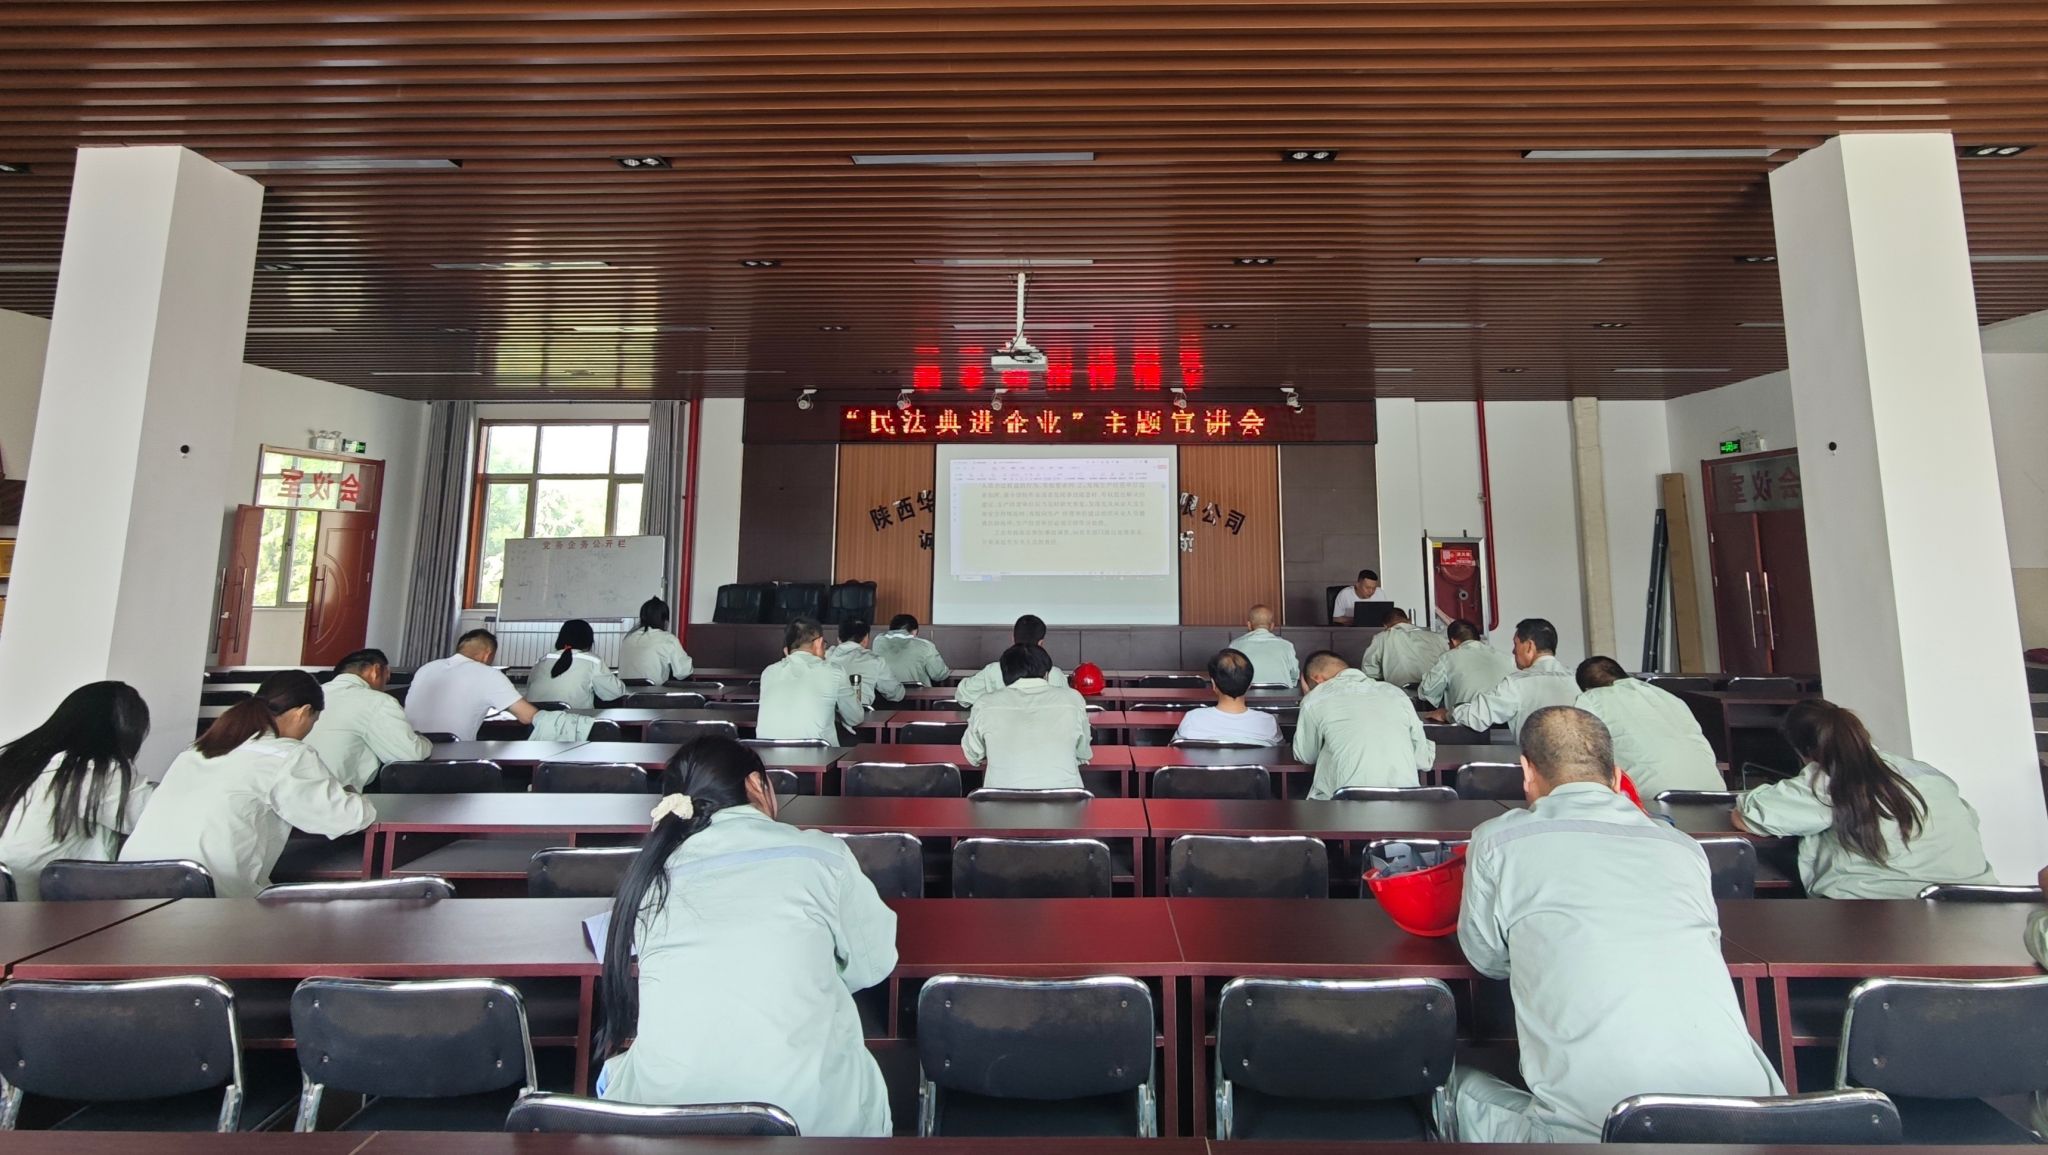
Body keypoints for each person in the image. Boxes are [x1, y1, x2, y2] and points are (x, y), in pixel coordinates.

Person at [1442, 706, 1783, 1142]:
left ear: (1527, 771)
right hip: (1752, 1126)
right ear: (1617, 775)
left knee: (1447, 1081)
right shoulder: (1682, 846)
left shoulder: (1499, 840)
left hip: (1597, 1137)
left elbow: (1487, 959)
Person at [594, 738, 895, 1136]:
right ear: (756, 784)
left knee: (616, 1076)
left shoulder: (649, 877)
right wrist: (808, 971)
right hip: (808, 1127)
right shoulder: (820, 855)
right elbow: (874, 963)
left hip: (668, 1128)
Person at [120, 671, 374, 898]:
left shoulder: (196, 750)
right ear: (303, 712)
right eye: (313, 721)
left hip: (131, 884)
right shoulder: (287, 755)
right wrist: (353, 794)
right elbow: (346, 818)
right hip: (205, 894)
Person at [1732, 699, 1996, 898]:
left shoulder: (1831, 780)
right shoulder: (1929, 774)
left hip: (1882, 909)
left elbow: (1749, 817)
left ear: (1804, 752)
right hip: (1972, 902)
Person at [0, 682, 154, 901]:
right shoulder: (92, 770)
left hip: (8, 903)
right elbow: (154, 820)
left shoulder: (15, 759)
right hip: (42, 909)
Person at [1572, 657, 1724, 800]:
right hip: (1716, 794)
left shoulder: (1590, 699)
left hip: (1653, 799)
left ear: (1586, 688)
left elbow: (1580, 752)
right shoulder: (1668, 697)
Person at [1293, 650, 1434, 797]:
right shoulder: (1396, 693)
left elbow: (1307, 756)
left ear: (1317, 679)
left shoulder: (1316, 698)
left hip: (1346, 804)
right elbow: (1422, 759)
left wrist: (1309, 696)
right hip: (1406, 803)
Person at [963, 644, 1093, 790]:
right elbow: (1083, 753)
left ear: (1005, 674)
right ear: (1046, 674)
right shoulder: (1072, 699)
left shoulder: (985, 703)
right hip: (1066, 798)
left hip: (1001, 799)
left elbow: (973, 756)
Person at [305, 649, 431, 790]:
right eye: (386, 678)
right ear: (376, 670)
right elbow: (411, 754)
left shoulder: (309, 696)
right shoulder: (377, 701)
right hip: (337, 795)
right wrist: (423, 740)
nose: (384, 687)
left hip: (297, 793)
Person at [1436, 617, 1577, 738]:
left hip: (1537, 759)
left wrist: (1448, 714)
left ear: (1529, 646)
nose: (1513, 651)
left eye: (1516, 644)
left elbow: (1477, 716)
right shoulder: (1577, 679)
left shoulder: (1517, 683)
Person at [405, 629, 542, 741]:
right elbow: (528, 717)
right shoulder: (489, 674)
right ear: (487, 655)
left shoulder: (426, 668)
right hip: (453, 757)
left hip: (409, 753)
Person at [757, 617, 864, 744]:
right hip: (817, 754)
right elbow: (855, 718)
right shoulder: (833, 672)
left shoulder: (769, 672)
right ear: (818, 642)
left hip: (767, 754)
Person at [1172, 649, 1283, 746]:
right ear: (1249, 685)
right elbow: (1280, 753)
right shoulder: (1268, 723)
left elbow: (1175, 750)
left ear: (1214, 684)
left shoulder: (1192, 719)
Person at [953, 614, 1067, 707]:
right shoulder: (1055, 674)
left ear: (1013, 639)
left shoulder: (993, 670)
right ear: (1041, 643)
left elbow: (963, 696)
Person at [525, 619, 629, 710]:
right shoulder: (592, 661)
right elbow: (615, 693)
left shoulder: (542, 660)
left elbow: (529, 687)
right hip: (573, 721)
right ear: (588, 640)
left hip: (534, 720)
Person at [1417, 619, 1514, 714]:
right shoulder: (1506, 658)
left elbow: (1426, 692)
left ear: (1454, 641)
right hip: (1505, 720)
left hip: (1467, 719)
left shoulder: (1448, 657)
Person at [1358, 607, 1449, 688]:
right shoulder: (1437, 638)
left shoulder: (1381, 638)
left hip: (1401, 693)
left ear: (1385, 625)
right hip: (1436, 693)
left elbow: (1370, 672)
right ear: (1409, 621)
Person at [825, 619, 904, 708]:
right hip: (862, 713)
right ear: (866, 639)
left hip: (826, 713)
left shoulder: (825, 656)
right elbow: (895, 694)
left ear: (839, 639)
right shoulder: (875, 660)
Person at [618, 597, 694, 685]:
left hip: (625, 692)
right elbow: (683, 672)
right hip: (653, 692)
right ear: (665, 620)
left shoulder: (628, 638)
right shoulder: (667, 639)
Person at [1227, 605, 1300, 688]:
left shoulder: (1235, 645)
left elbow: (1229, 676)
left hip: (1246, 695)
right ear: (1272, 626)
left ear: (1249, 625)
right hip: (1283, 695)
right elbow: (1294, 676)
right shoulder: (1287, 646)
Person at [871, 614, 951, 687]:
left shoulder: (878, 641)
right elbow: (939, 675)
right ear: (915, 631)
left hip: (884, 695)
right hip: (918, 695)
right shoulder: (925, 645)